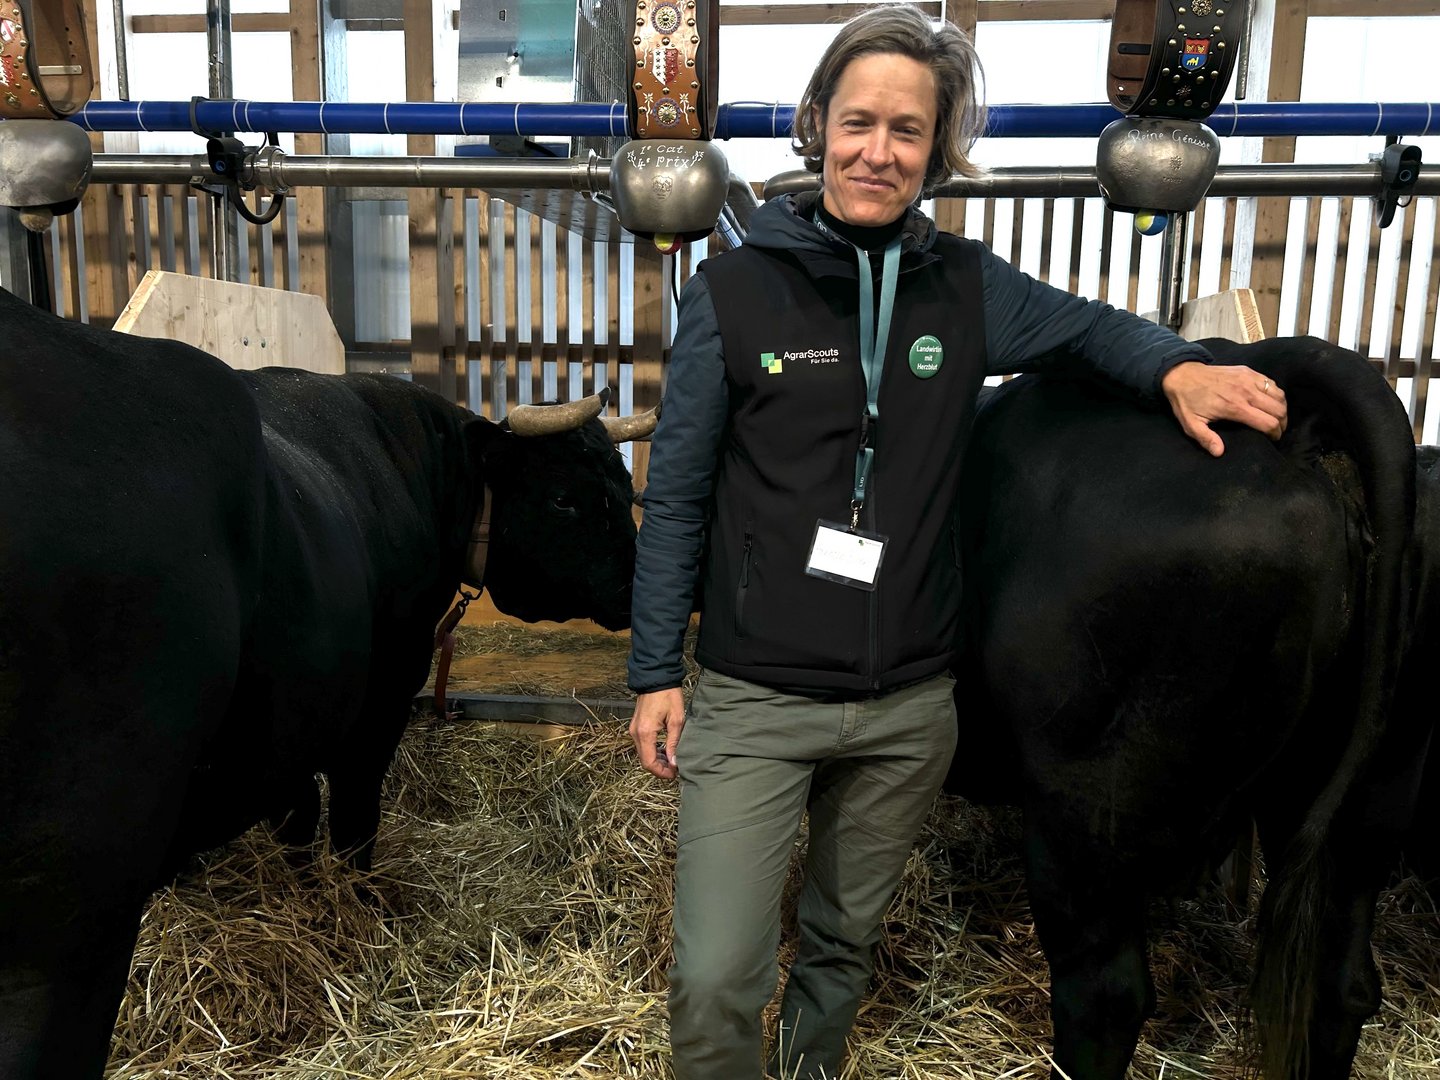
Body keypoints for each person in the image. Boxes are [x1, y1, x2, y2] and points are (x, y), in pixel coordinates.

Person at [626, 6, 1289, 1078]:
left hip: (907, 708)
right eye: (858, 123)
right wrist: (657, 670)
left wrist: (1177, 366)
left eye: (907, 130)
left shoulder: (967, 288)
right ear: (817, 124)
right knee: (715, 976)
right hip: (757, 699)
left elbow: (1089, 328)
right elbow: (677, 497)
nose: (876, 152)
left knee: (842, 946)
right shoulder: (734, 292)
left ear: (938, 150)